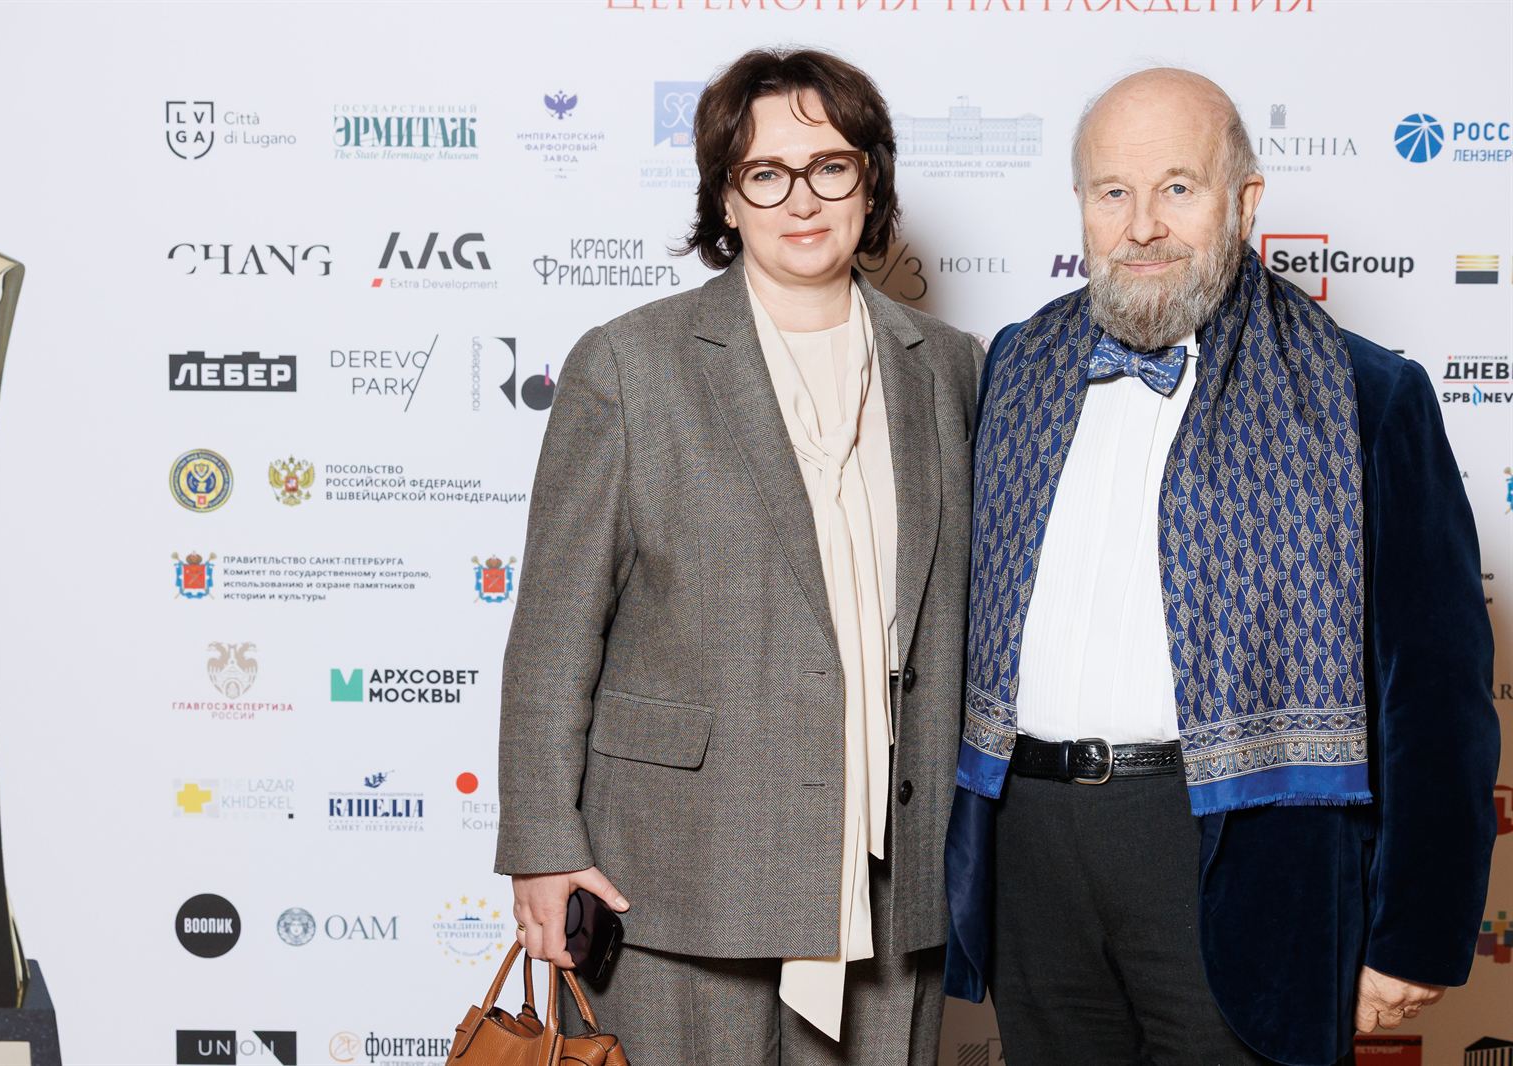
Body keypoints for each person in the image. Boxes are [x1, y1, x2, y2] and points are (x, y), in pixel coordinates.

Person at [944, 67, 1498, 1066]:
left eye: (1177, 187)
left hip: (1239, 854)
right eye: (1112, 191)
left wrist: (1413, 932)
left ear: (1243, 202)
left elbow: (1437, 696)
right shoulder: (1016, 366)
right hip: (1032, 848)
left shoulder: (1366, 394)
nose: (1141, 225)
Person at [496, 47, 980, 1066]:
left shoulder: (948, 368)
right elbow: (552, 634)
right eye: (765, 173)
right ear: (726, 196)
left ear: (871, 182)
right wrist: (542, 846)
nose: (801, 199)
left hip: (892, 882)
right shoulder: (628, 363)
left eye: (830, 166)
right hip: (677, 873)